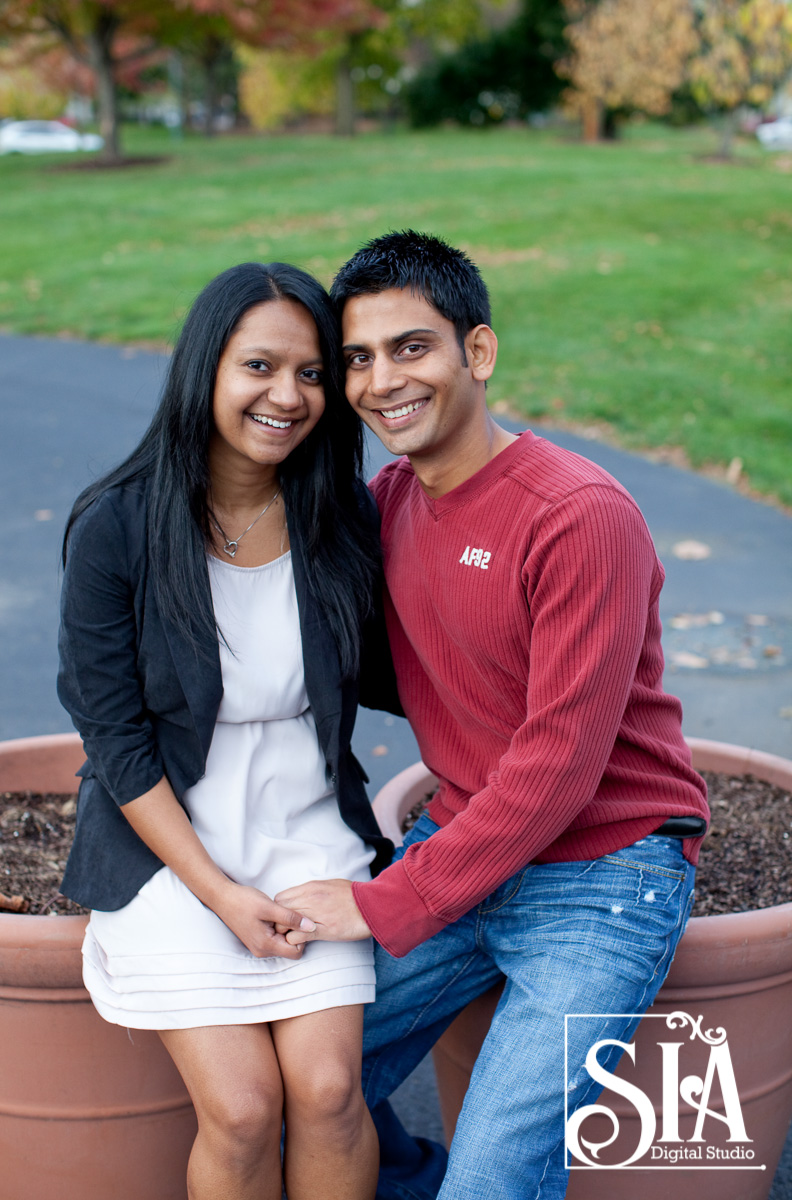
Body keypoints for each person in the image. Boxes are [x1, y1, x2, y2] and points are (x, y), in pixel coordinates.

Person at [276, 231, 710, 1199]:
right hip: (467, 836)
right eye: (358, 357)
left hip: (605, 871)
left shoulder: (576, 517)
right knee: (296, 1077)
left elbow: (558, 763)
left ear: (477, 352)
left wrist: (381, 901)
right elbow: (396, 662)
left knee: (493, 1178)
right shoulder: (390, 501)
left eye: (410, 348)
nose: (381, 379)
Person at [57, 261, 395, 1200]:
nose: (287, 396)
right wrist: (218, 894)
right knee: (244, 1108)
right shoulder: (117, 525)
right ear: (205, 368)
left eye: (314, 373)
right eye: (259, 366)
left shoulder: (338, 514)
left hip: (305, 828)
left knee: (328, 1092)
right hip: (170, 849)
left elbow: (400, 669)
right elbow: (114, 740)